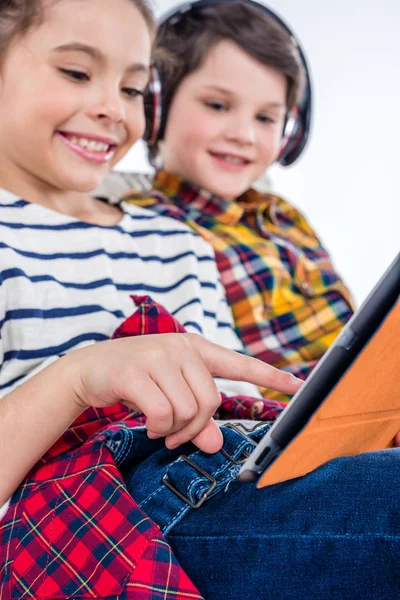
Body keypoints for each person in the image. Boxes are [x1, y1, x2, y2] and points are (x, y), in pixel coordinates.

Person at [0, 2, 399, 600]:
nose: (113, 107)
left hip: (223, 475)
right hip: (95, 508)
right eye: (78, 73)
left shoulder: (177, 241)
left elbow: (231, 419)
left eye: (134, 87)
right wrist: (79, 379)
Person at [124, 0, 355, 404]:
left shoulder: (284, 217)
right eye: (217, 105)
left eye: (266, 118)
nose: (244, 135)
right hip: (284, 430)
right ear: (153, 106)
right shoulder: (143, 226)